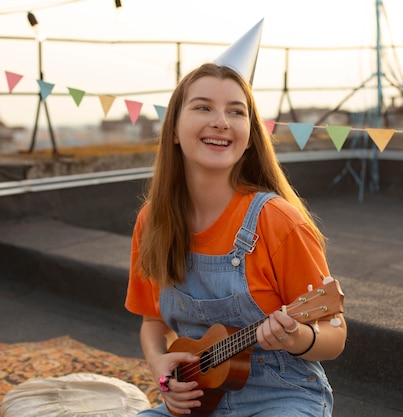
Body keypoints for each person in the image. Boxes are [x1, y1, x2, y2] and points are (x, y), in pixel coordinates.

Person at [125, 21, 347, 417]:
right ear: (174, 129)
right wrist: (161, 370)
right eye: (203, 107)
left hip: (282, 394)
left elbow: (334, 334)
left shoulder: (278, 221)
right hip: (197, 398)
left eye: (236, 111)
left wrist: (296, 336)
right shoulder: (151, 222)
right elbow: (153, 322)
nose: (221, 121)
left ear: (248, 135)